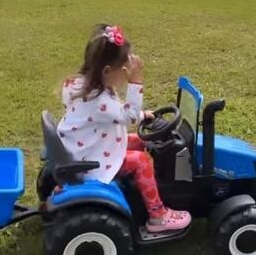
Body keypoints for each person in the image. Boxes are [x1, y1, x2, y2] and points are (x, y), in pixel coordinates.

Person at [57, 24, 191, 232]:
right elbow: (127, 117)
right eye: (125, 72)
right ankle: (158, 216)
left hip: (84, 147)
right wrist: (135, 83)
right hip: (92, 161)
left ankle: (143, 187)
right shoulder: (100, 100)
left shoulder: (77, 84)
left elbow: (116, 114)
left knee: (140, 140)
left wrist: (142, 115)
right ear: (107, 71)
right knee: (141, 161)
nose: (126, 76)